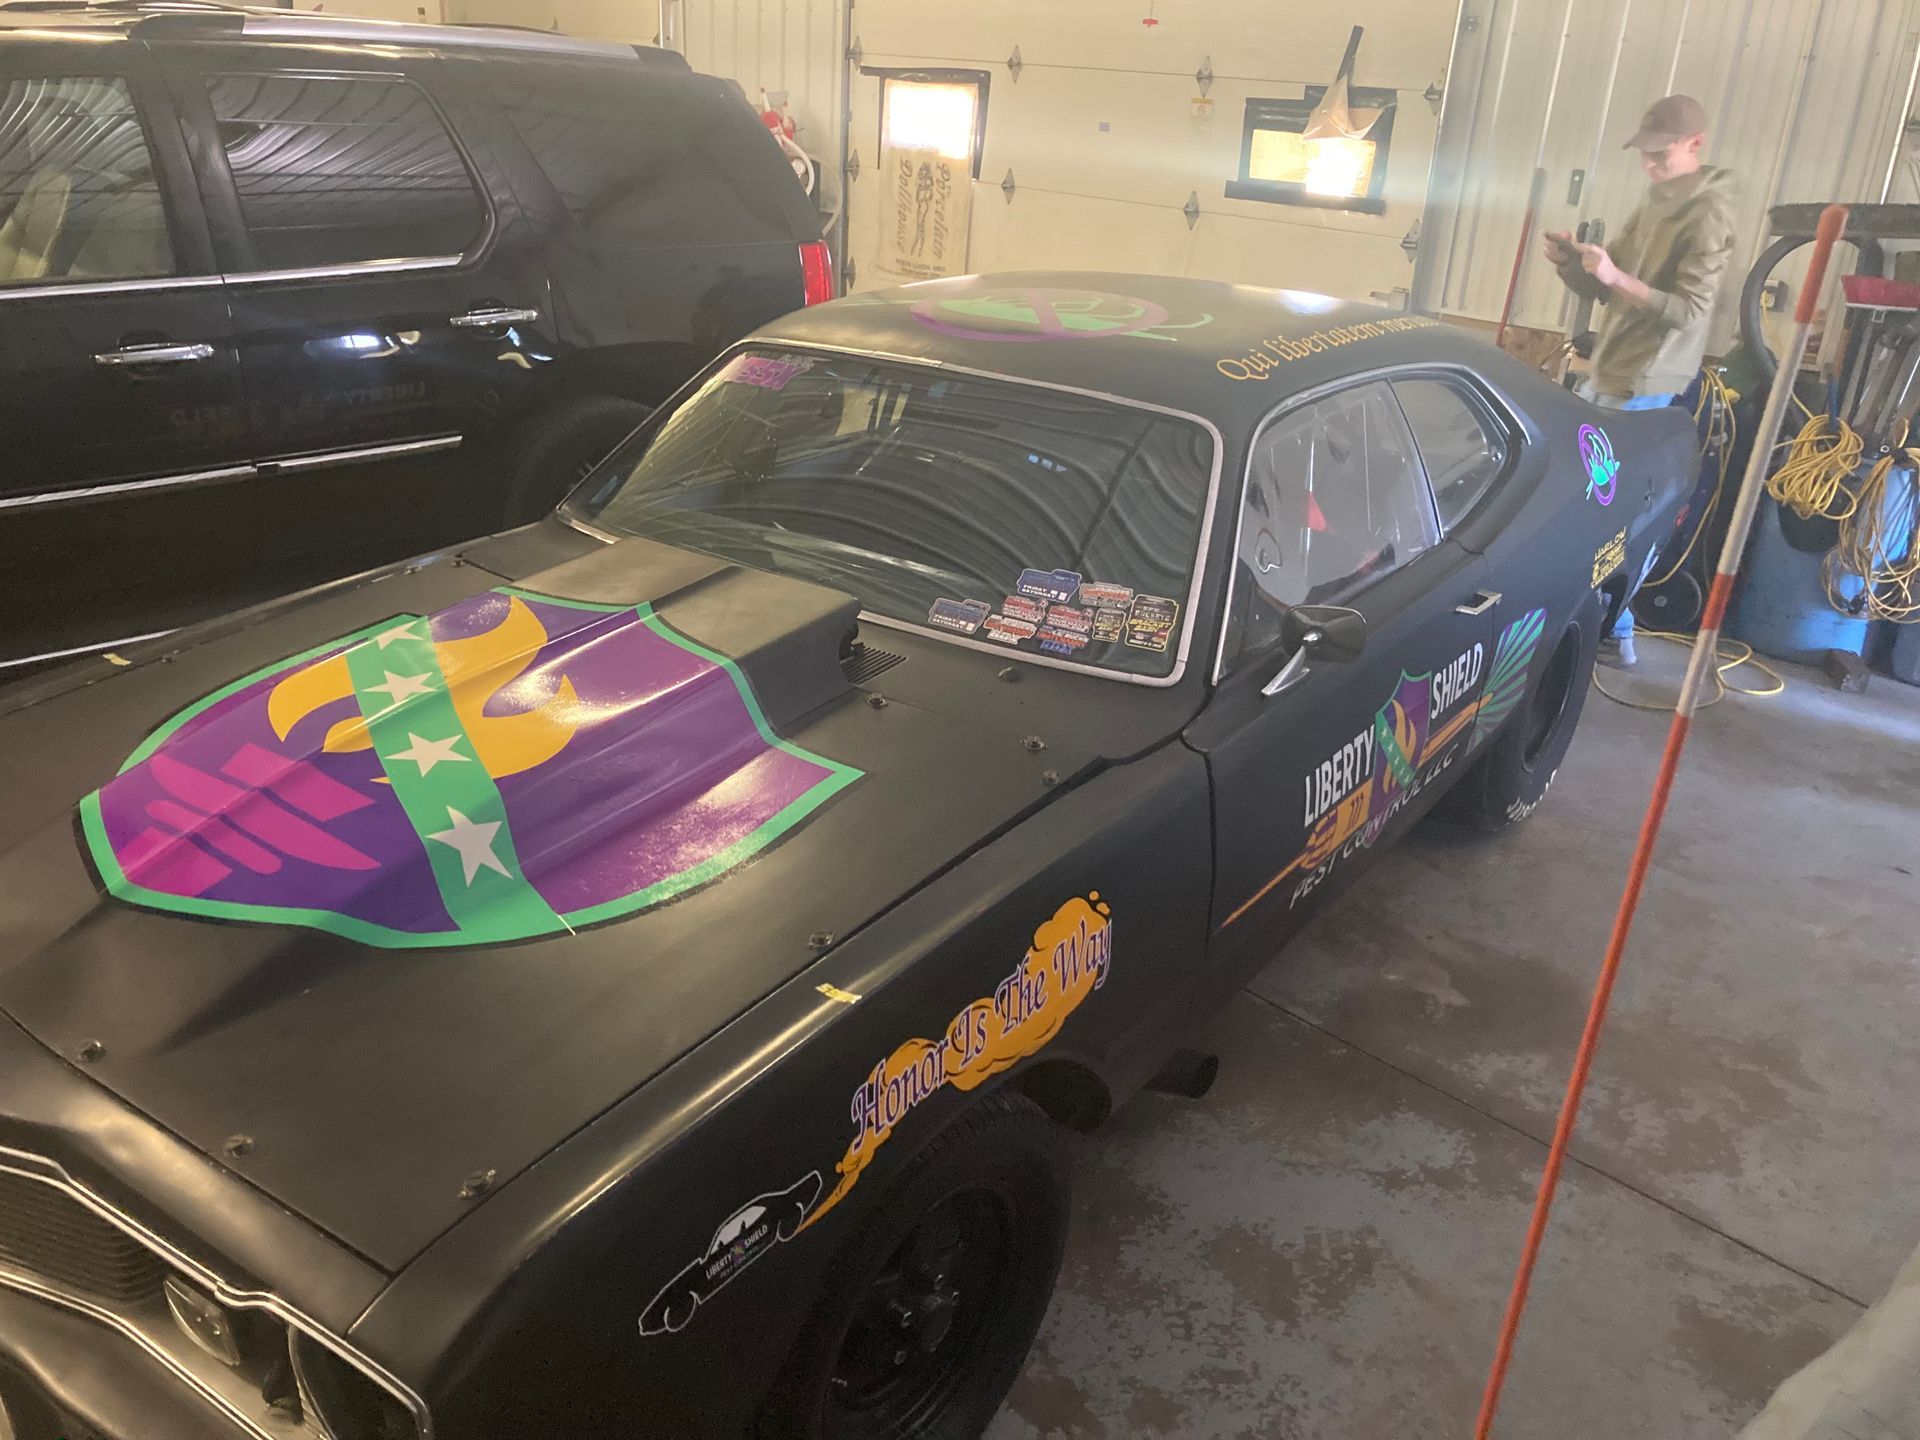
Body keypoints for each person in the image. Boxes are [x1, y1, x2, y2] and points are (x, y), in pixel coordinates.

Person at [1543, 93, 1738, 666]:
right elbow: (1607, 286)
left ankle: (1611, 629)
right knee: (1594, 502)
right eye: (1644, 155)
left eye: (1662, 155)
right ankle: (1608, 627)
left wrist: (1613, 275)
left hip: (1649, 379)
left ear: (1695, 145)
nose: (1650, 165)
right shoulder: (1654, 201)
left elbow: (1688, 311)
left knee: (1611, 510)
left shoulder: (1709, 215)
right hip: (1613, 367)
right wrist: (1574, 266)